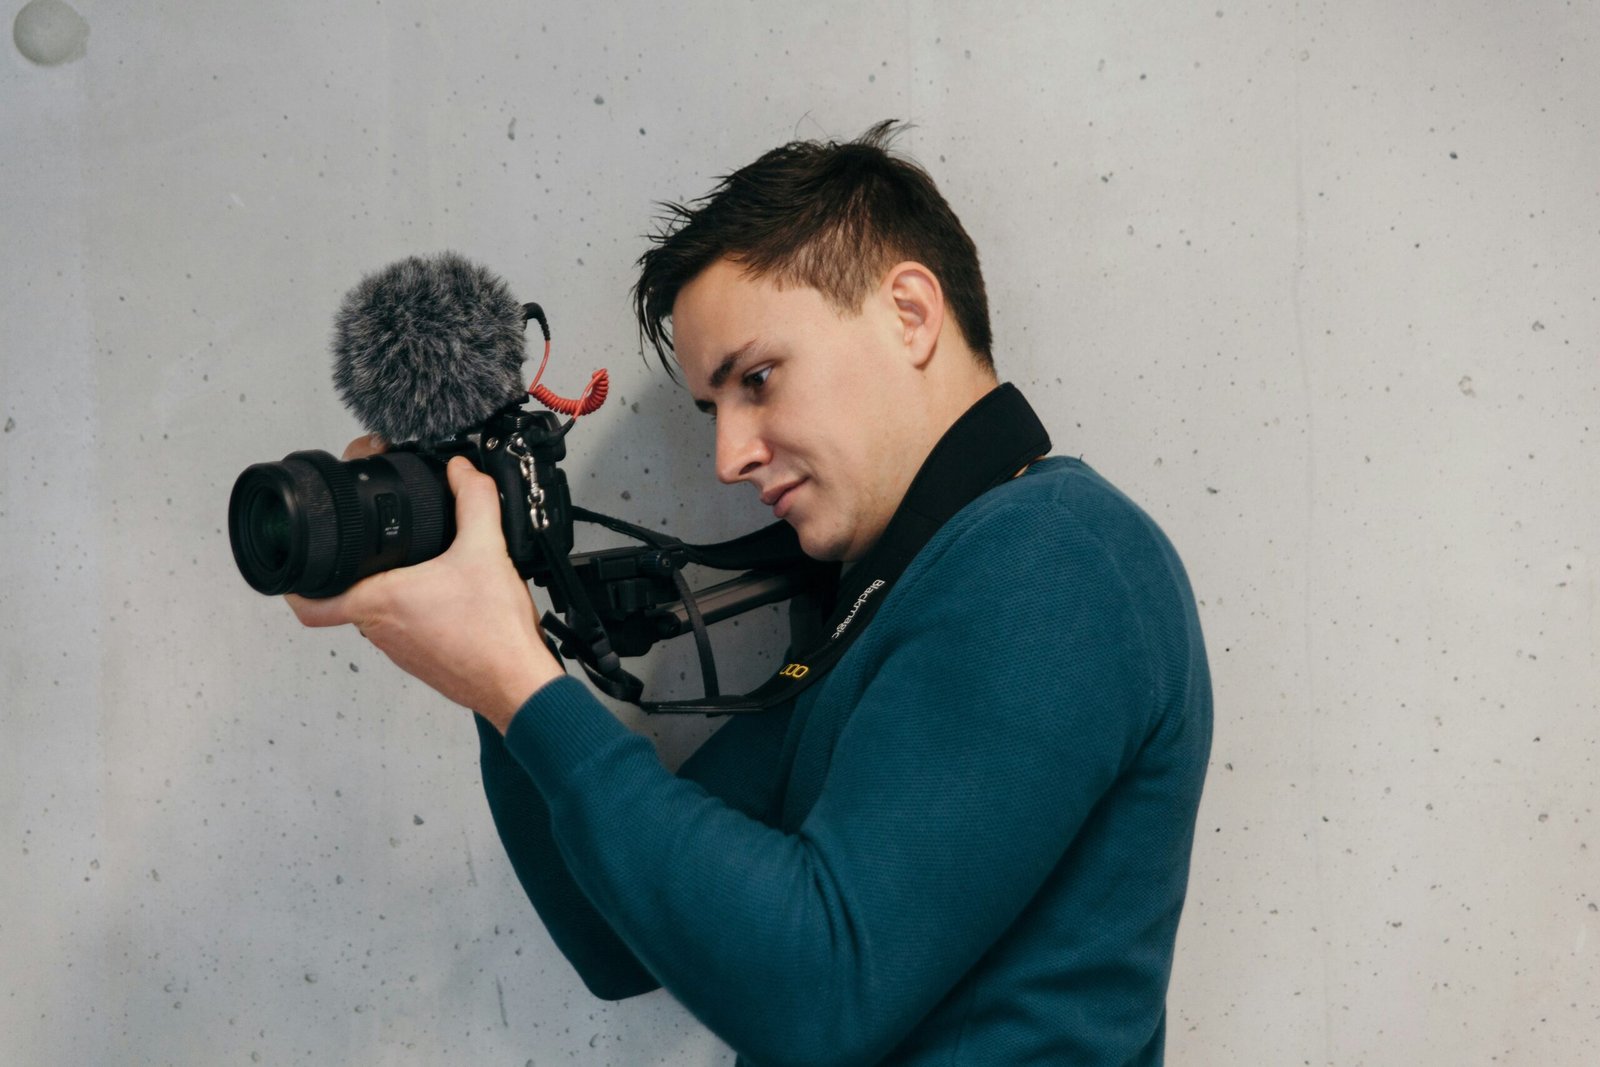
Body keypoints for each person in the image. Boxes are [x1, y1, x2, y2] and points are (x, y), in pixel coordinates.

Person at [289, 120, 1212, 1066]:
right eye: (713, 409)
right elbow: (614, 940)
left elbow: (819, 996)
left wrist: (516, 680)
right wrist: (494, 658)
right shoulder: (896, 590)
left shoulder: (1055, 554)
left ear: (910, 313)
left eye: (759, 379)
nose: (729, 456)